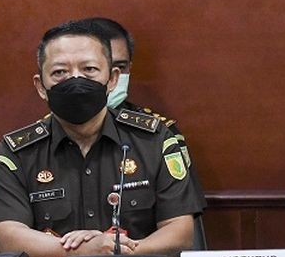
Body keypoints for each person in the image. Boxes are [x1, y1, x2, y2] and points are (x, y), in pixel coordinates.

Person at [0, 20, 199, 257]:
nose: (75, 79)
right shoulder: (15, 153)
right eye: (59, 72)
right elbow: (10, 237)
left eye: (89, 70)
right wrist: (83, 250)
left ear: (112, 79)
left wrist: (114, 249)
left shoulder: (154, 140)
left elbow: (180, 232)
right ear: (41, 86)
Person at [84, 17, 206, 206]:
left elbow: (185, 225)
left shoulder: (159, 134)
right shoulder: (39, 142)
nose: (110, 77)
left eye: (120, 67)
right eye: (93, 68)